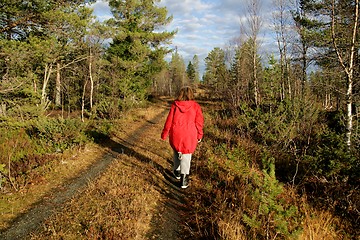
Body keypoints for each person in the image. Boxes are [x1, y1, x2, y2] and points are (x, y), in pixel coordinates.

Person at [161, 86, 204, 188]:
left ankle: (177, 171)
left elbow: (169, 120)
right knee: (187, 155)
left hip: (176, 133)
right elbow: (199, 122)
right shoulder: (196, 106)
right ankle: (184, 179)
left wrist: (165, 133)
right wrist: (200, 134)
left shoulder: (175, 105)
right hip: (190, 134)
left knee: (176, 150)